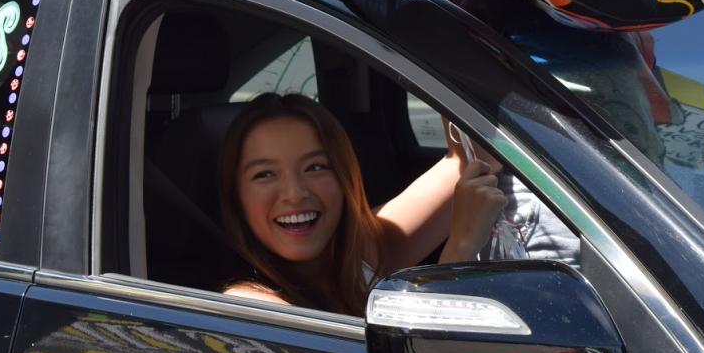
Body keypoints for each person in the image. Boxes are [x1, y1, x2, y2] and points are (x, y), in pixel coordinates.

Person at [216, 93, 507, 314]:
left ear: (346, 176)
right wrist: (461, 248)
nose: (294, 193)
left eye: (316, 167)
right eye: (264, 174)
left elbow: (477, 158)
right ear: (236, 196)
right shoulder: (250, 307)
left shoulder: (363, 250)